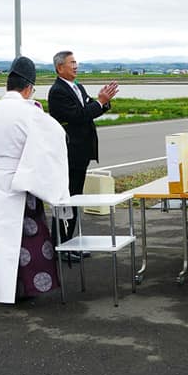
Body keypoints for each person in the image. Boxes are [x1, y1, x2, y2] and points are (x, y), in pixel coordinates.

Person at [0, 57, 72, 304]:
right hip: (21, 184)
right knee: (29, 241)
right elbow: (57, 137)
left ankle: (0, 290)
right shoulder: (31, 112)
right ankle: (26, 289)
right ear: (28, 87)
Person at [48, 51, 118, 248]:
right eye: (72, 63)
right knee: (66, 199)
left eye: (76, 62)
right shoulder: (57, 91)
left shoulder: (77, 87)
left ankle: (70, 242)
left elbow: (90, 110)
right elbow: (78, 115)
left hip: (82, 153)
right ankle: (61, 243)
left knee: (75, 198)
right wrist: (100, 102)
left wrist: (102, 102)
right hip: (70, 153)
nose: (76, 65)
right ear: (60, 68)